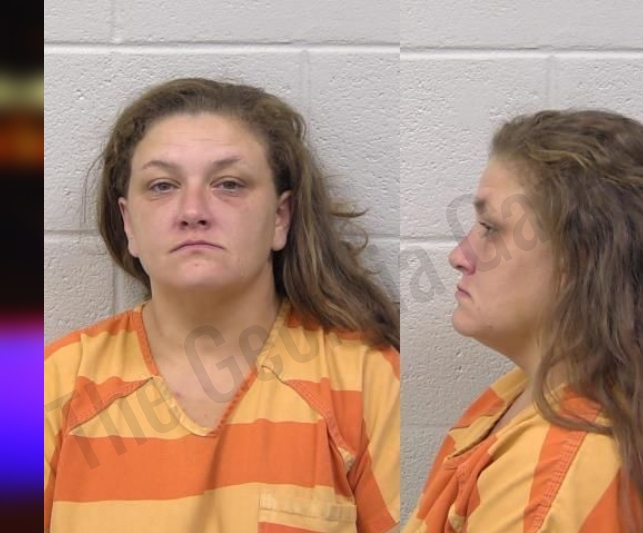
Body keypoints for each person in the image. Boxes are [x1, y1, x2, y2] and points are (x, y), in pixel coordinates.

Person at [44, 78, 400, 533]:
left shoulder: (367, 377)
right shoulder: (40, 387)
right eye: (162, 185)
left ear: (281, 217)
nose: (193, 210)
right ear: (128, 223)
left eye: (229, 184)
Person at [403, 110, 643, 532]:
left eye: (490, 228)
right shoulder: (526, 394)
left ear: (581, 259)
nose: (459, 256)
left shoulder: (549, 487)